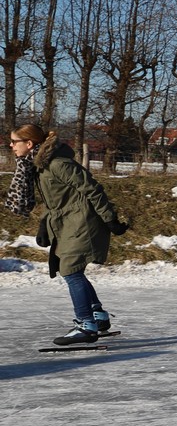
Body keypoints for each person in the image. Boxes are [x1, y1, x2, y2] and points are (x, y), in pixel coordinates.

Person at [7, 125, 128, 345]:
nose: (11, 145)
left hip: (83, 221)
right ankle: (98, 316)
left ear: (29, 144)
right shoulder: (38, 166)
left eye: (15, 141)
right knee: (73, 270)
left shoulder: (58, 164)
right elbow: (54, 201)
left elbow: (92, 189)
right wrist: (44, 225)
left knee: (71, 271)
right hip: (68, 222)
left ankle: (86, 325)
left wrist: (110, 219)